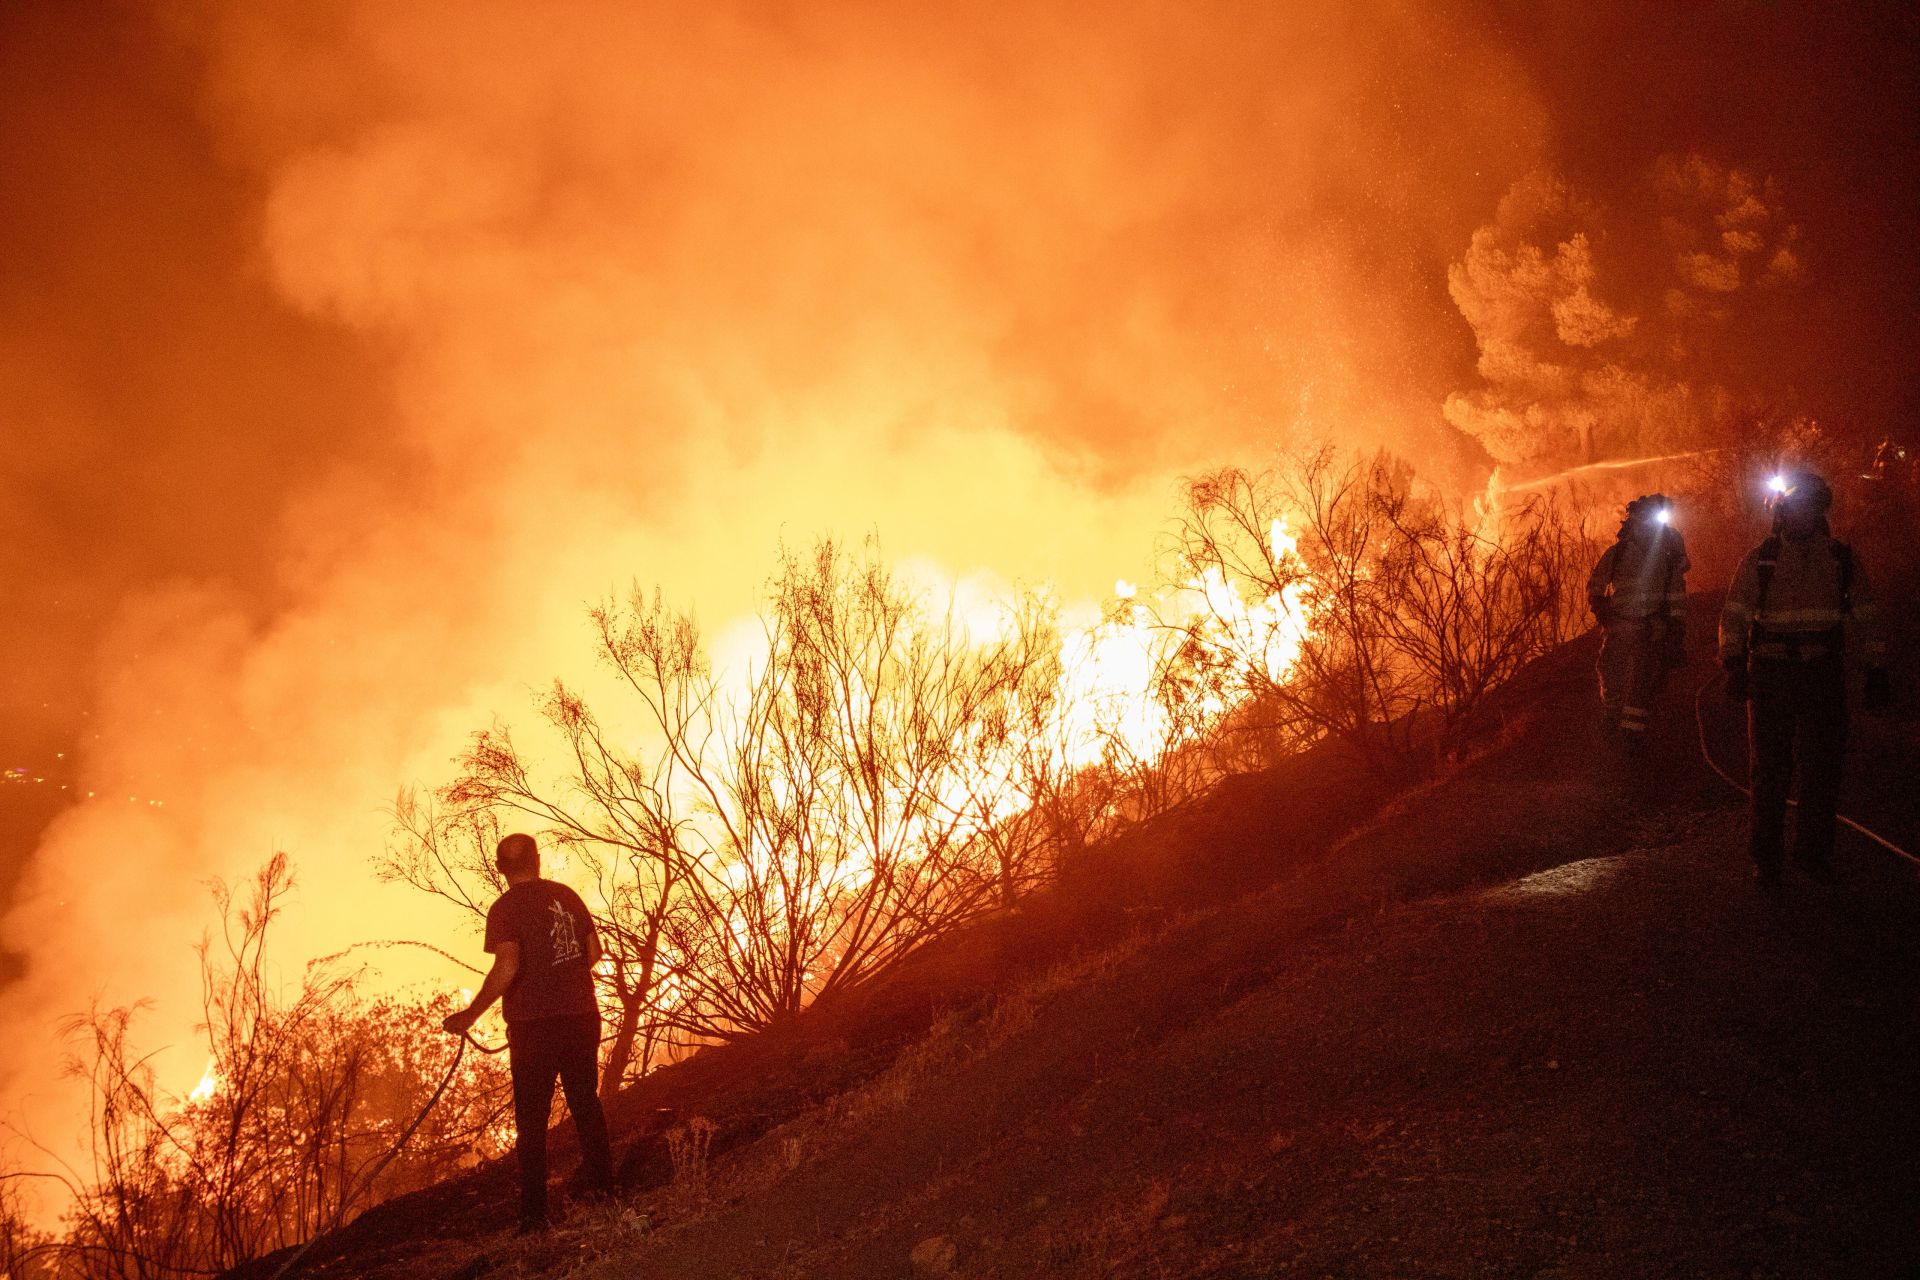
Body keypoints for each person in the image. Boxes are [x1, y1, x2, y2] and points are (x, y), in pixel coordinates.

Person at [1719, 471, 1892, 889]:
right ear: (1782, 512)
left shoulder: (1841, 560)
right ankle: (1767, 860)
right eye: (1796, 509)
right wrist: (1733, 663)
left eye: (1810, 509)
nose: (1802, 516)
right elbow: (1735, 615)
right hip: (1771, 674)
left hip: (1822, 674)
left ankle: (1813, 856)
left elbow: (1867, 616)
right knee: (1769, 772)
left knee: (1822, 770)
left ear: (1820, 513)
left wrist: (1876, 668)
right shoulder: (1760, 560)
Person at [443, 833, 615, 1232]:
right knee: (586, 1106)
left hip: (533, 1028)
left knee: (532, 1123)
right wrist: (563, 984)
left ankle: (535, 1216)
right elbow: (593, 952)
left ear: (500, 868)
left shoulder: (503, 910)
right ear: (536, 861)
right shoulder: (566, 895)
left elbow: (507, 966)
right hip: (580, 1017)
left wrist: (470, 1014)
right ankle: (604, 1193)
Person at [1587, 494, 1690, 743]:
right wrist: (1602, 609)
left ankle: (1631, 734)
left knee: (1642, 680)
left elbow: (1677, 585)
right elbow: (1596, 585)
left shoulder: (1668, 549)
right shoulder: (1619, 552)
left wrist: (1674, 626)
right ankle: (1616, 721)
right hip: (1623, 625)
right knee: (1612, 672)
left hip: (1651, 627)